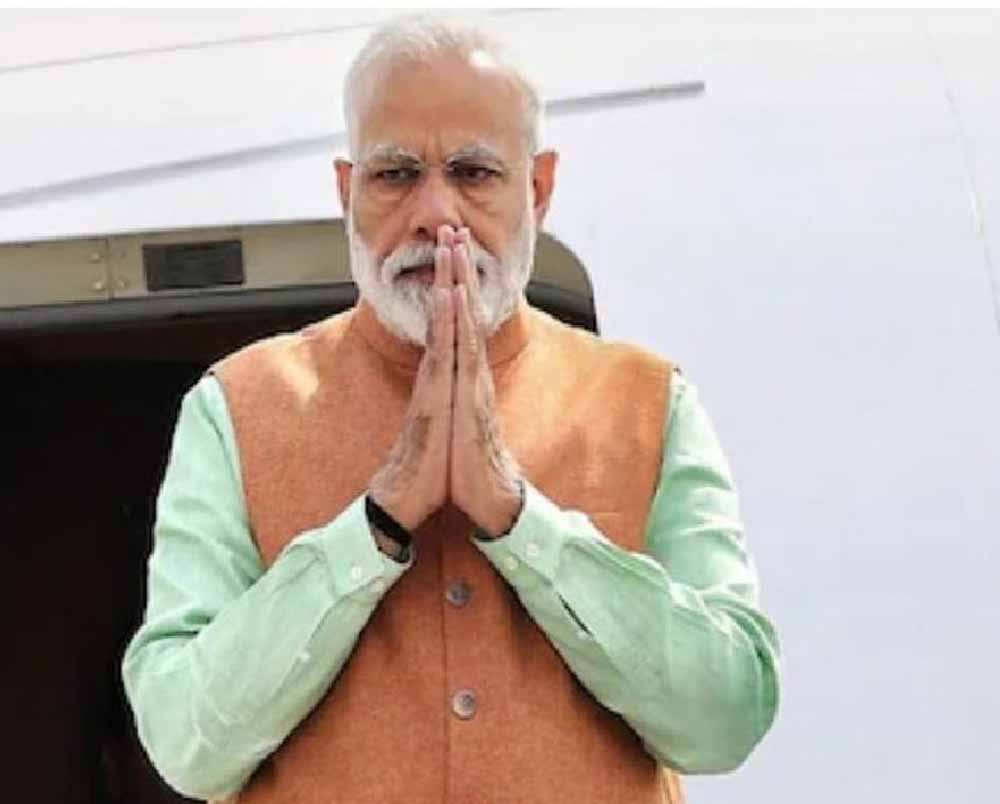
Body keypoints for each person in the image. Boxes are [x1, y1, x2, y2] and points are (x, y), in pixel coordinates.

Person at [122, 14, 781, 804]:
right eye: (396, 174)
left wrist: (516, 515)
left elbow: (725, 719)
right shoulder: (237, 407)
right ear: (347, 192)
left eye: (473, 172)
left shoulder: (646, 403)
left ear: (538, 189)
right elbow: (185, 741)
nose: (437, 214)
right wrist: (379, 519)